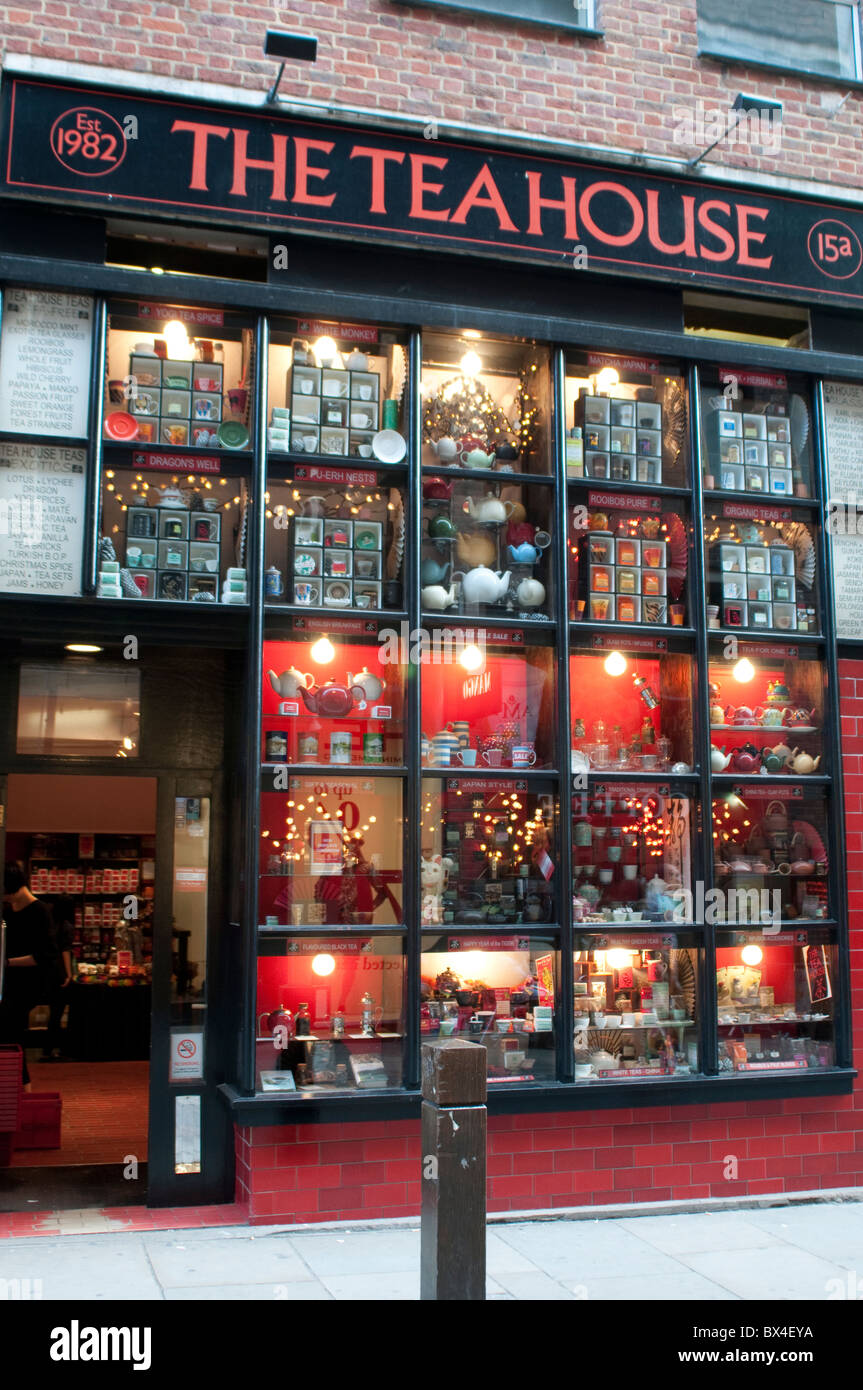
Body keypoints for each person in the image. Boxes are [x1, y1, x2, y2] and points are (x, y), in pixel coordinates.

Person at [1, 863, 62, 1090]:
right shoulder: (8, 912)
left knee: (10, 1029)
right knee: (10, 1031)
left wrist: (7, 963)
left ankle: (21, 1086)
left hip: (30, 983)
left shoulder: (40, 911)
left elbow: (46, 955)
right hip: (9, 983)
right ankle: (19, 1085)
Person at [39, 894, 75, 1061]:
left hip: (47, 970)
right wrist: (69, 973)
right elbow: (65, 951)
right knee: (58, 1012)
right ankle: (57, 1048)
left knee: (53, 1012)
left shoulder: (49, 924)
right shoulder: (66, 926)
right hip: (59, 971)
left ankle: (48, 1047)